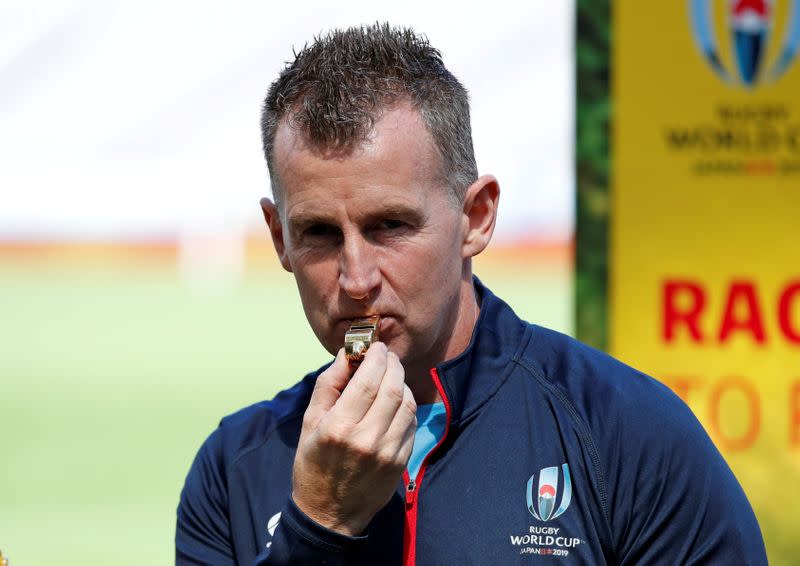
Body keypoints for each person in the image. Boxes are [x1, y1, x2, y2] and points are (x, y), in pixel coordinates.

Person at [176, 23, 767, 565]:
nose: (356, 279)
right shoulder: (232, 470)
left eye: (391, 226)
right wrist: (319, 526)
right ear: (279, 238)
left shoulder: (630, 435)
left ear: (477, 217)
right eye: (320, 234)